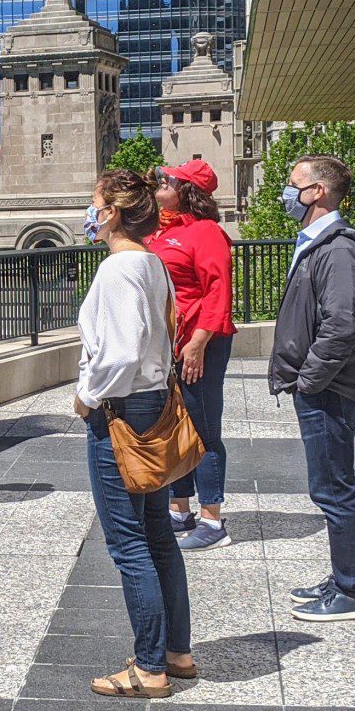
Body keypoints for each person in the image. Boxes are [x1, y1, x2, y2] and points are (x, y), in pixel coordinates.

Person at [74, 169, 194, 698]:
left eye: (95, 204)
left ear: (113, 213)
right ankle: (175, 651)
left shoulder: (118, 271)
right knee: (158, 534)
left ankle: (149, 667)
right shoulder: (154, 265)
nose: (90, 212)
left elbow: (118, 351)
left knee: (128, 543)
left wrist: (87, 395)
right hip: (152, 402)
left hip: (121, 410)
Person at [269, 154, 355, 622]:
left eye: (293, 183)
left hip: (330, 389)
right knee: (329, 485)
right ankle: (342, 576)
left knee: (333, 488)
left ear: (317, 191)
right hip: (325, 386)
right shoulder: (320, 244)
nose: (286, 191)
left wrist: (309, 381)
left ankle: (350, 591)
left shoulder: (337, 250)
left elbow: (341, 326)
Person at [149, 160, 237, 552]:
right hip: (170, 345)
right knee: (175, 427)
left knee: (202, 429)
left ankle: (213, 519)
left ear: (187, 191)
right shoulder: (163, 232)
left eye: (168, 181)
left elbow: (218, 292)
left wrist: (198, 343)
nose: (160, 184)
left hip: (199, 343)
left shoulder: (206, 233)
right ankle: (179, 509)